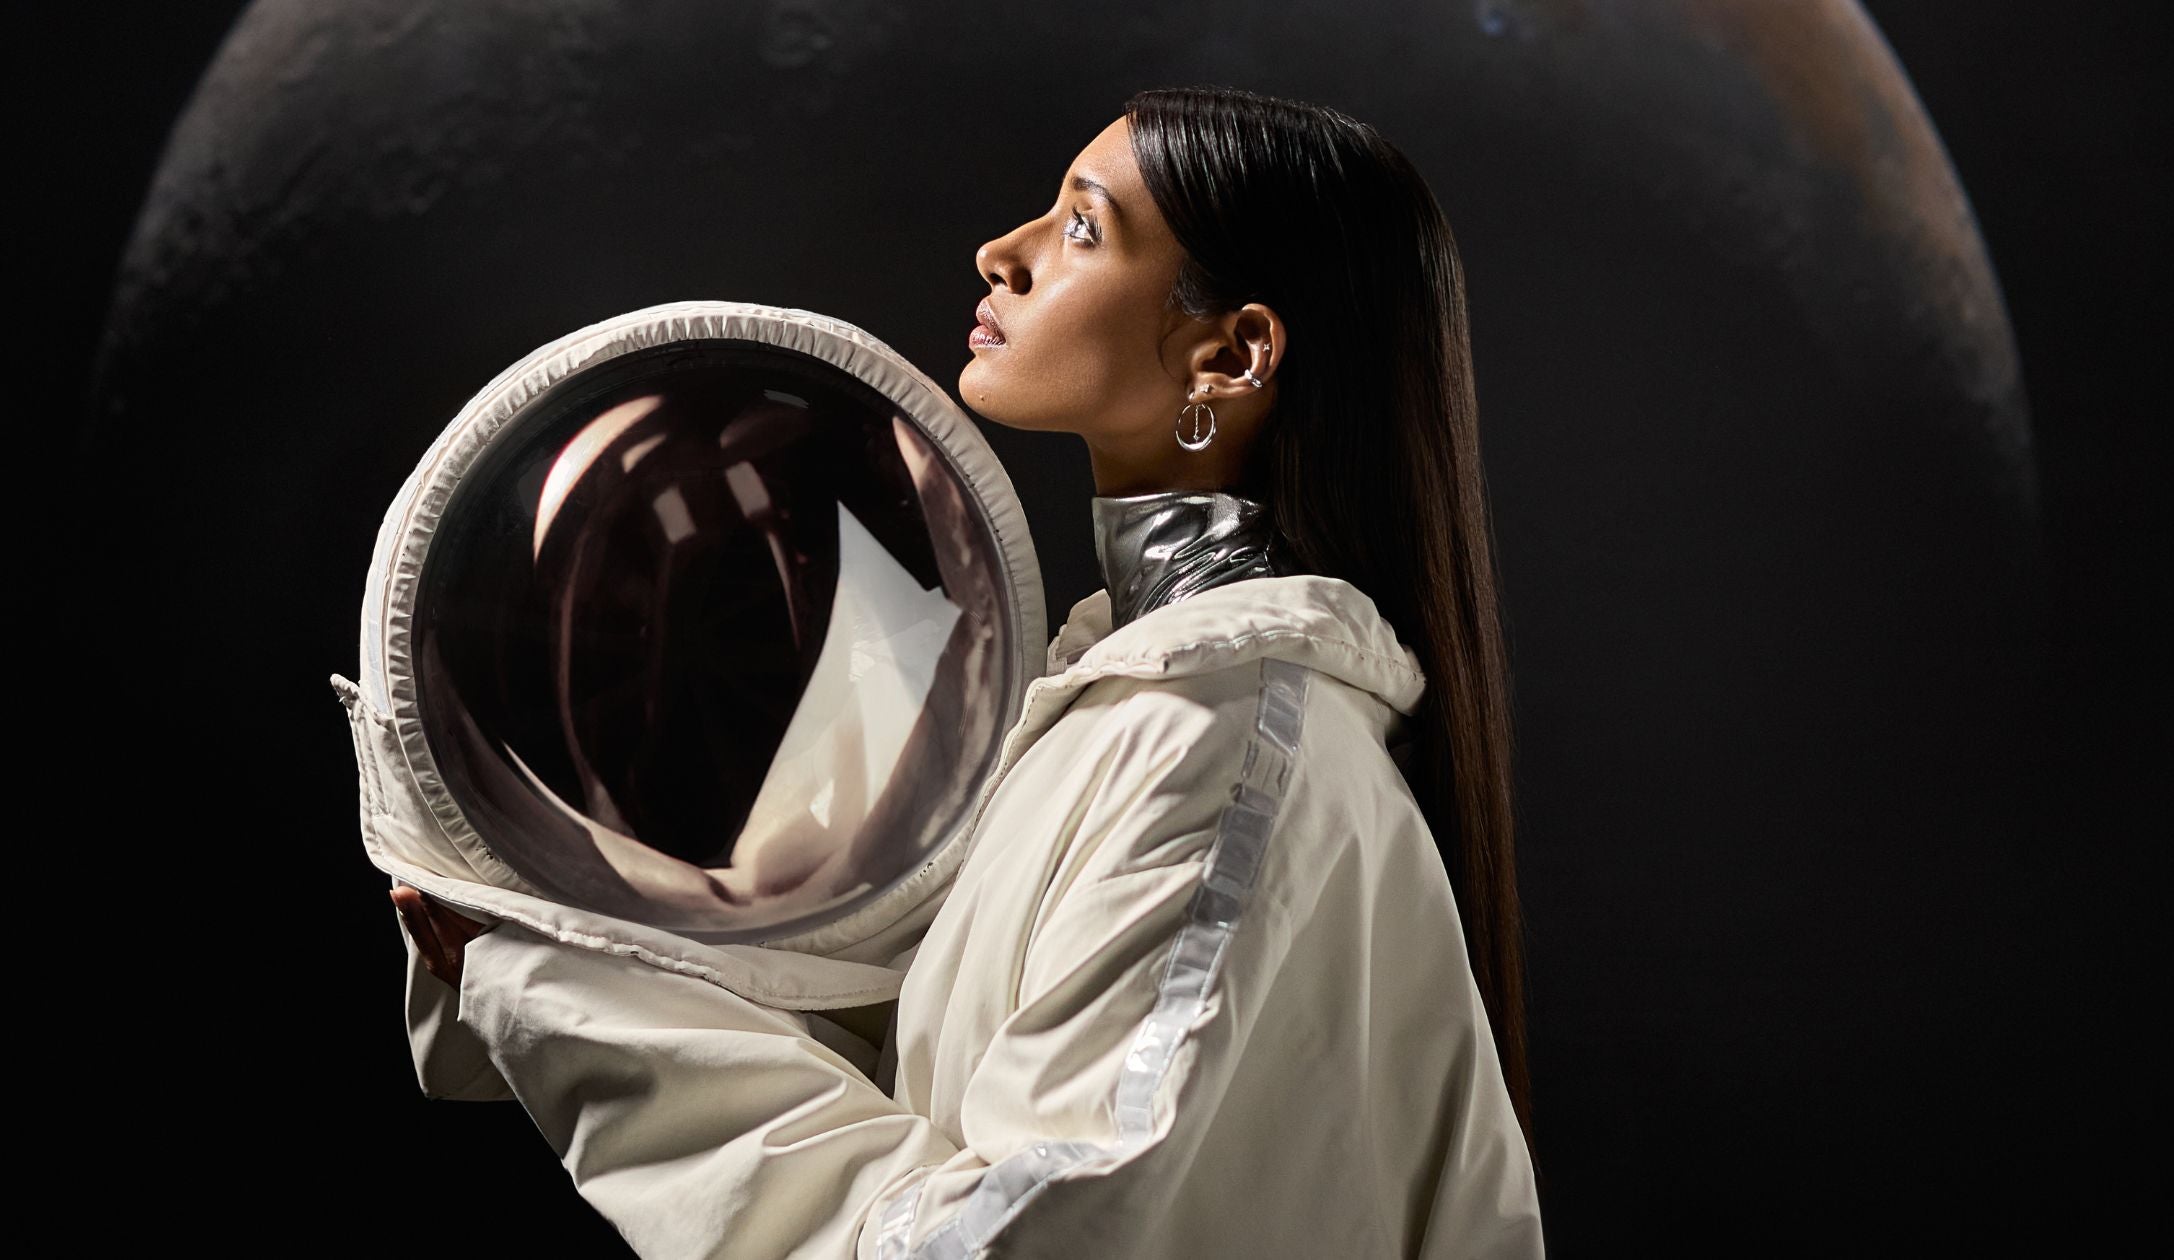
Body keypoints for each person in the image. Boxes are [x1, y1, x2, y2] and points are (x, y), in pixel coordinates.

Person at [394, 86, 1544, 1258]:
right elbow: (912, 1065)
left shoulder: (1217, 746)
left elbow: (1018, 1235)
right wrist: (549, 957)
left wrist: (575, 1006)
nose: (1001, 253)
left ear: (1230, 352)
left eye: (1082, 227)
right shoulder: (1135, 707)